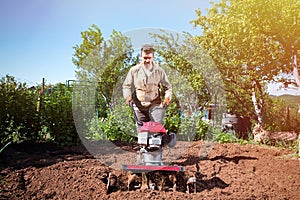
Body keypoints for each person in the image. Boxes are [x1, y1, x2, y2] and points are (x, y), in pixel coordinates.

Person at [122, 44, 172, 132]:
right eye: (145, 58)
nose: (147, 60)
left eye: (149, 58)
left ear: (153, 57)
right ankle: (143, 145)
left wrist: (167, 98)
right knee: (142, 132)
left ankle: (157, 144)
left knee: (156, 130)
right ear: (141, 56)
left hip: (155, 104)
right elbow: (126, 86)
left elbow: (167, 87)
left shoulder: (159, 71)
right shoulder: (134, 71)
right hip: (139, 105)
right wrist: (128, 97)